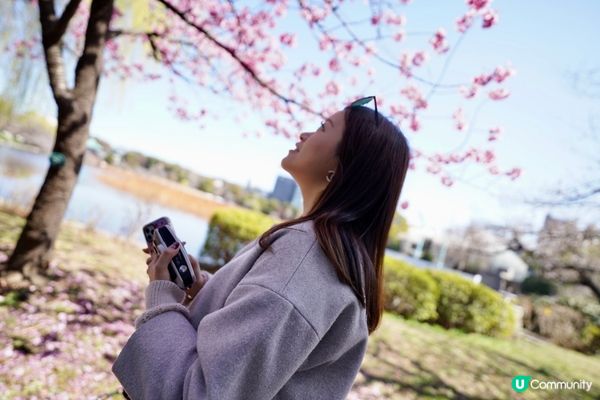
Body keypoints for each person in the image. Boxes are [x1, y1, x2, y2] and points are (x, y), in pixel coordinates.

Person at [112, 96, 410, 399]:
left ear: (343, 165)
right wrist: (210, 291)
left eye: (322, 128)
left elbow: (203, 393)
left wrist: (162, 297)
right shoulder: (331, 256)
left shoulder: (306, 257)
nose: (304, 134)